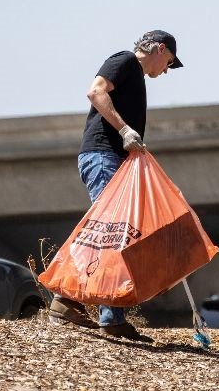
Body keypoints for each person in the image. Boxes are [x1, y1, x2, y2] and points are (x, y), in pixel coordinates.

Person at [48, 30, 183, 342]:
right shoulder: (123, 60)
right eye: (168, 63)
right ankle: (99, 314)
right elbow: (96, 92)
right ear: (160, 49)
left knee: (109, 235)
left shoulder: (134, 75)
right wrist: (125, 131)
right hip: (102, 156)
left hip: (111, 159)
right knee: (113, 236)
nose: (165, 71)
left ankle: (71, 303)